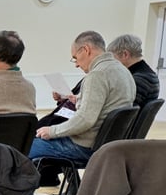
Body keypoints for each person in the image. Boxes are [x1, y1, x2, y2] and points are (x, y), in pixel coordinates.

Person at [29, 30, 135, 164]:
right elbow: (108, 105)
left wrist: (52, 131)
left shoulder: (97, 75)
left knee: (25, 147)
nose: (76, 64)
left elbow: (85, 120)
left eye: (75, 58)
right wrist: (78, 99)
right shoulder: (123, 71)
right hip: (108, 144)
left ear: (85, 50)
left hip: (85, 146)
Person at [107, 34, 160, 108]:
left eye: (113, 58)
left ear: (125, 54)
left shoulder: (137, 80)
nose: (112, 62)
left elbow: (123, 110)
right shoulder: (148, 73)